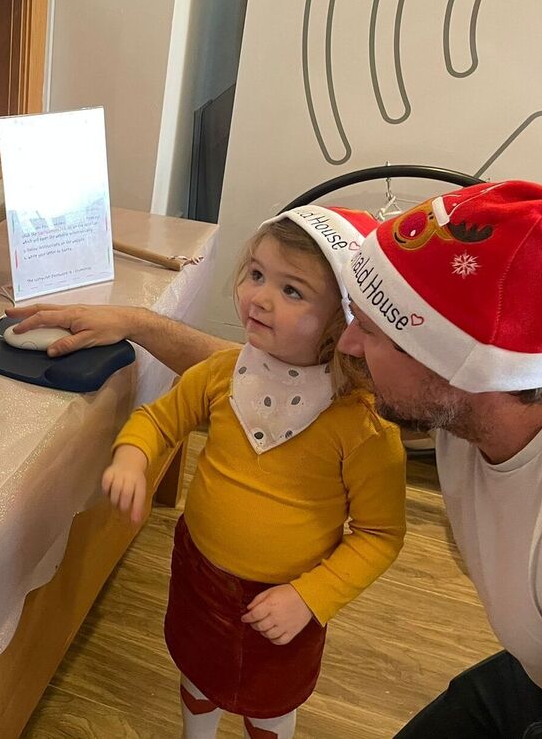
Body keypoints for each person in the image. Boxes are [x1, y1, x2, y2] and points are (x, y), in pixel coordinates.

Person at [9, 180, 542, 738]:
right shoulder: (480, 397)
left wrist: (313, 594)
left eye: (372, 335)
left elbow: (375, 526)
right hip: (534, 671)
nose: (345, 347)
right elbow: (249, 379)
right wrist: (136, 324)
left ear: (460, 368)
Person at [100, 205, 406, 739]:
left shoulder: (362, 427)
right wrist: (132, 454)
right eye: (257, 274)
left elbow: (380, 535)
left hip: (286, 601)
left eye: (292, 290)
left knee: (270, 703)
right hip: (200, 575)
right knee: (197, 675)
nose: (259, 297)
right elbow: (159, 420)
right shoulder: (221, 373)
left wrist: (311, 597)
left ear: (345, 322)